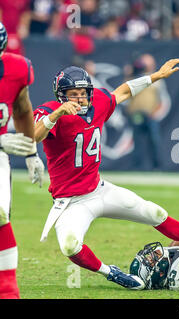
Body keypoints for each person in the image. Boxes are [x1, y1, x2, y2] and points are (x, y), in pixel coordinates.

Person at [32, 57, 179, 290]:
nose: (81, 98)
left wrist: (156, 76)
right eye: (74, 94)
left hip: (99, 190)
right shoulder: (50, 112)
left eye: (83, 92)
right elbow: (33, 135)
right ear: (62, 96)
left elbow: (123, 91)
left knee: (154, 212)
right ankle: (110, 272)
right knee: (70, 246)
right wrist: (56, 115)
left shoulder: (97, 104)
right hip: (71, 202)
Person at [0, 22, 45, 299]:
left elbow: (21, 107)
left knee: (0, 214)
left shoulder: (16, 70)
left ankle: (7, 290)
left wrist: (31, 151)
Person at [124, 54, 170, 170]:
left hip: (150, 115)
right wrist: (128, 75)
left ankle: (157, 166)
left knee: (154, 140)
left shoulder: (157, 79)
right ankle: (136, 166)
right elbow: (125, 94)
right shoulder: (134, 78)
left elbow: (163, 100)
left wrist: (157, 114)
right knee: (137, 141)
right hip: (136, 115)